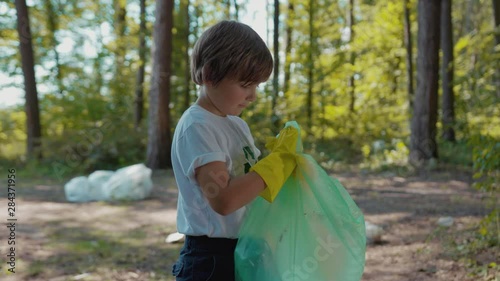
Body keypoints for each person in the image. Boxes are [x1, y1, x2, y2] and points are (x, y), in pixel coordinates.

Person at [170, 20, 298, 281]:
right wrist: (272, 168)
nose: (253, 96)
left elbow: (249, 190)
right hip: (213, 261)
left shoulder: (236, 124)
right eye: (245, 84)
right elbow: (224, 200)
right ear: (209, 74)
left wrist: (283, 169)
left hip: (248, 246)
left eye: (257, 86)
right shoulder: (197, 126)